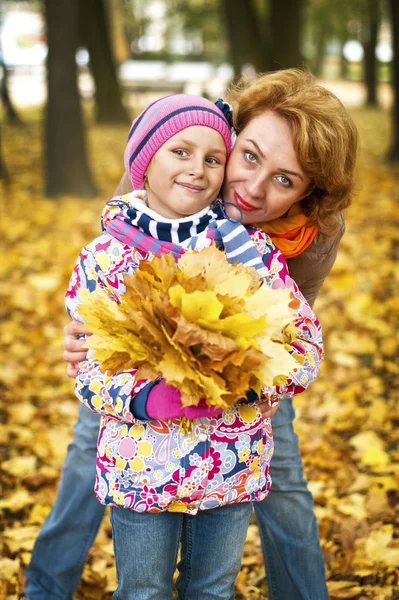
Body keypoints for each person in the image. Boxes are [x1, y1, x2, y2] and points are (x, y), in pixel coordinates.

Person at [26, 69, 357, 600]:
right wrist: (90, 339)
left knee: (285, 482)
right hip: (139, 366)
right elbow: (113, 261)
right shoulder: (185, 149)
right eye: (248, 156)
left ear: (307, 193)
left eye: (284, 179)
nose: (252, 188)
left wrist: (268, 381)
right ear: (230, 134)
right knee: (90, 450)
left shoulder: (313, 232)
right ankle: (43, 588)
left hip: (243, 356)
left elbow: (295, 326)